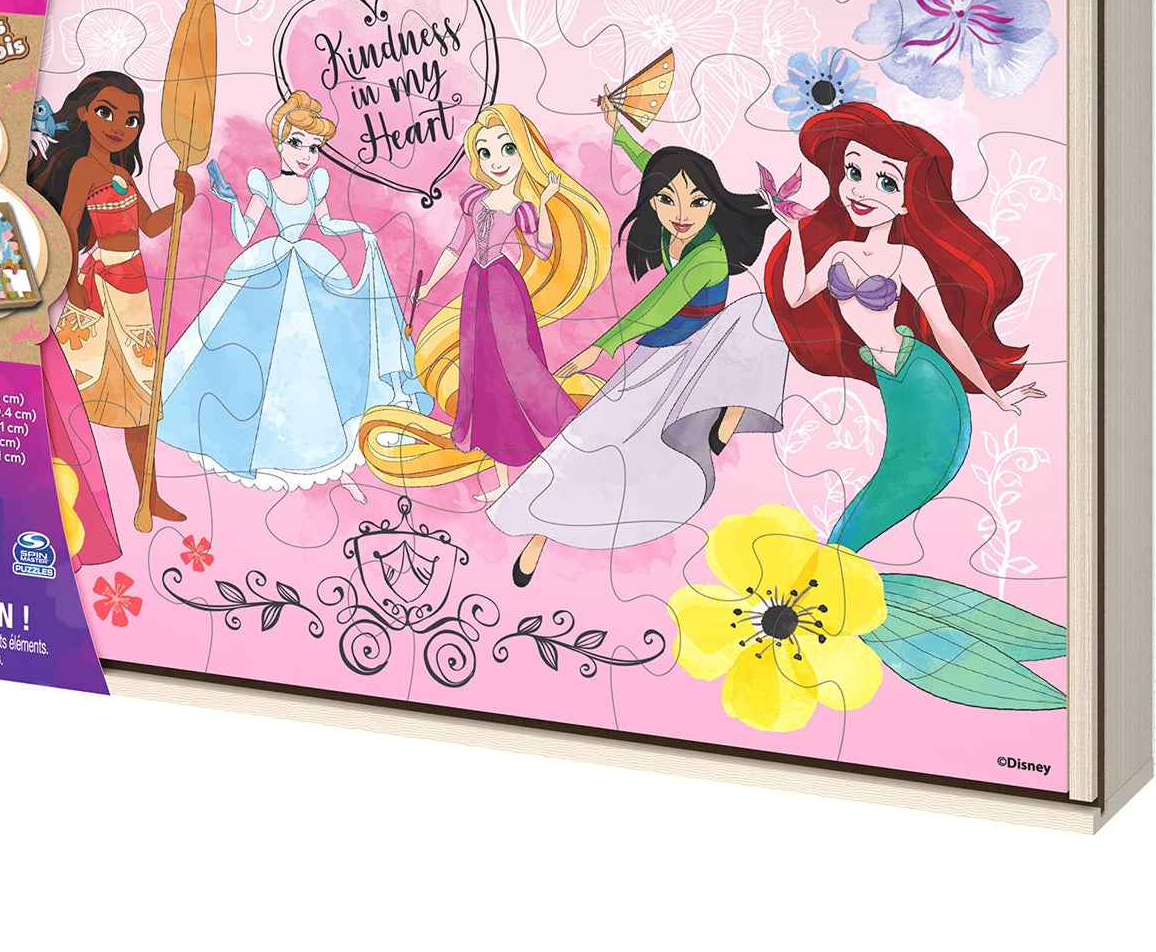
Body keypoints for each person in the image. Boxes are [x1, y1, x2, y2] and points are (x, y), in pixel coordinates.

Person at [491, 89, 787, 584]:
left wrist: (599, 348)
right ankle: (537, 529)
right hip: (661, 348)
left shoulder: (708, 255)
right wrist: (618, 128)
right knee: (589, 436)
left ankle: (731, 409)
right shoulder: (675, 220)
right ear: (653, 198)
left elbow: (656, 307)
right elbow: (652, 165)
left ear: (713, 203)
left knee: (759, 320)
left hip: (693, 347)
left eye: (697, 201)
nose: (681, 213)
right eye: (667, 199)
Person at [762, 101, 1045, 554]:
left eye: (886, 182)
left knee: (905, 480)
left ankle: (837, 566)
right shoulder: (839, 253)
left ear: (905, 201)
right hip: (889, 375)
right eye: (853, 172)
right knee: (880, 495)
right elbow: (795, 295)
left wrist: (995, 396)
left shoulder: (905, 259)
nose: (862, 191)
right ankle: (839, 568)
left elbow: (945, 330)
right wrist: (795, 232)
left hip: (923, 379)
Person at [156, 91, 427, 500]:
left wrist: (360, 230)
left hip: (312, 265)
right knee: (264, 356)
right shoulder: (263, 185)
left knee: (323, 355)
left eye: (314, 147)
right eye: (297, 143)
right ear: (280, 143)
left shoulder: (317, 183)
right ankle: (263, 445)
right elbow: (244, 234)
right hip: (272, 266)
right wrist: (232, 203)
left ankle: (329, 441)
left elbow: (328, 224)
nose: (306, 155)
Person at [359, 104, 611, 504]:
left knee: (521, 370)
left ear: (524, 150)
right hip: (477, 288)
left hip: (505, 290)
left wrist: (545, 203)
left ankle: (563, 440)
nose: (497, 160)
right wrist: (429, 286)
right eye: (486, 151)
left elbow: (543, 250)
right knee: (483, 380)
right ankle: (503, 480)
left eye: (507, 149)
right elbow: (455, 247)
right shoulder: (475, 200)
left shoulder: (523, 208)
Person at [28, 69, 196, 522]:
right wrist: (71, 283)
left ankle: (148, 495)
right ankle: (51, 493)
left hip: (133, 291)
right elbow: (66, 224)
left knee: (143, 399)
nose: (119, 126)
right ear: (84, 112)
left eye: (132, 119)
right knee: (68, 391)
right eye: (107, 112)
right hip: (97, 290)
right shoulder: (85, 168)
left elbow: (150, 226)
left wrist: (182, 202)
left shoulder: (122, 173)